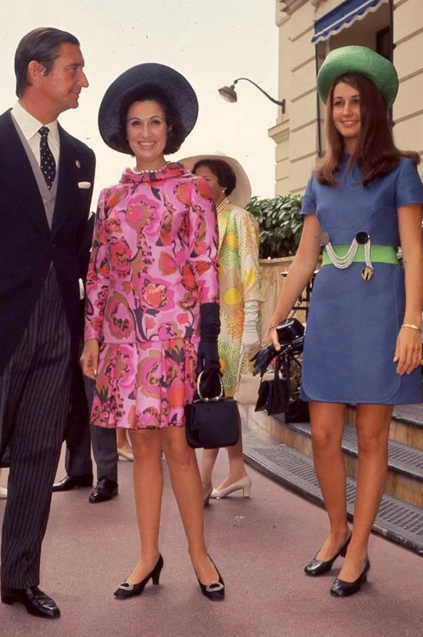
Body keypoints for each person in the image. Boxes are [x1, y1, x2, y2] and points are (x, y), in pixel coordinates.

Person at [268, 46, 423, 598]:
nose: (347, 111)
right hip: (332, 311)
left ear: (374, 107)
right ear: (329, 110)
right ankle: (337, 529)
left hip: (381, 311)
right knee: (326, 436)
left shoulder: (401, 170)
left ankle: (359, 549)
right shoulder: (320, 175)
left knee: (374, 437)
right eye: (338, 102)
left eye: (357, 101)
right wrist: (277, 314)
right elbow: (306, 256)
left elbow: (414, 250)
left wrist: (413, 325)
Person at [0, 27, 95, 634]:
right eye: (73, 69)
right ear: (36, 73)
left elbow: (74, 249)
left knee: (42, 456)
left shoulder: (82, 158)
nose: (83, 81)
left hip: (57, 330)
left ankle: (20, 578)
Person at [81, 63, 225, 601]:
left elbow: (207, 263)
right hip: (122, 338)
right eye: (137, 123)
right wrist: (92, 336)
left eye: (156, 122)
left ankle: (199, 555)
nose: (146, 132)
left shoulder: (192, 191)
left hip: (174, 338)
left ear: (171, 130)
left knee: (177, 449)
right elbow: (98, 271)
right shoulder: (111, 199)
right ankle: (147, 556)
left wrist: (207, 338)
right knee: (140, 448)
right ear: (125, 130)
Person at [182, 154, 263, 503]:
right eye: (195, 180)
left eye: (207, 179)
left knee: (212, 395)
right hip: (201, 324)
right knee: (219, 398)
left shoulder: (238, 219)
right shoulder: (198, 222)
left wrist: (252, 323)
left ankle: (202, 480)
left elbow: (249, 270)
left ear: (224, 184)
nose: (201, 185)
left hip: (229, 323)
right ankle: (237, 471)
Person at [53, 213, 120, 503]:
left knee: (97, 399)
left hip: (100, 326)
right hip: (65, 320)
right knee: (73, 401)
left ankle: (108, 476)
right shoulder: (60, 224)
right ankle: (78, 470)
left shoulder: (104, 222)